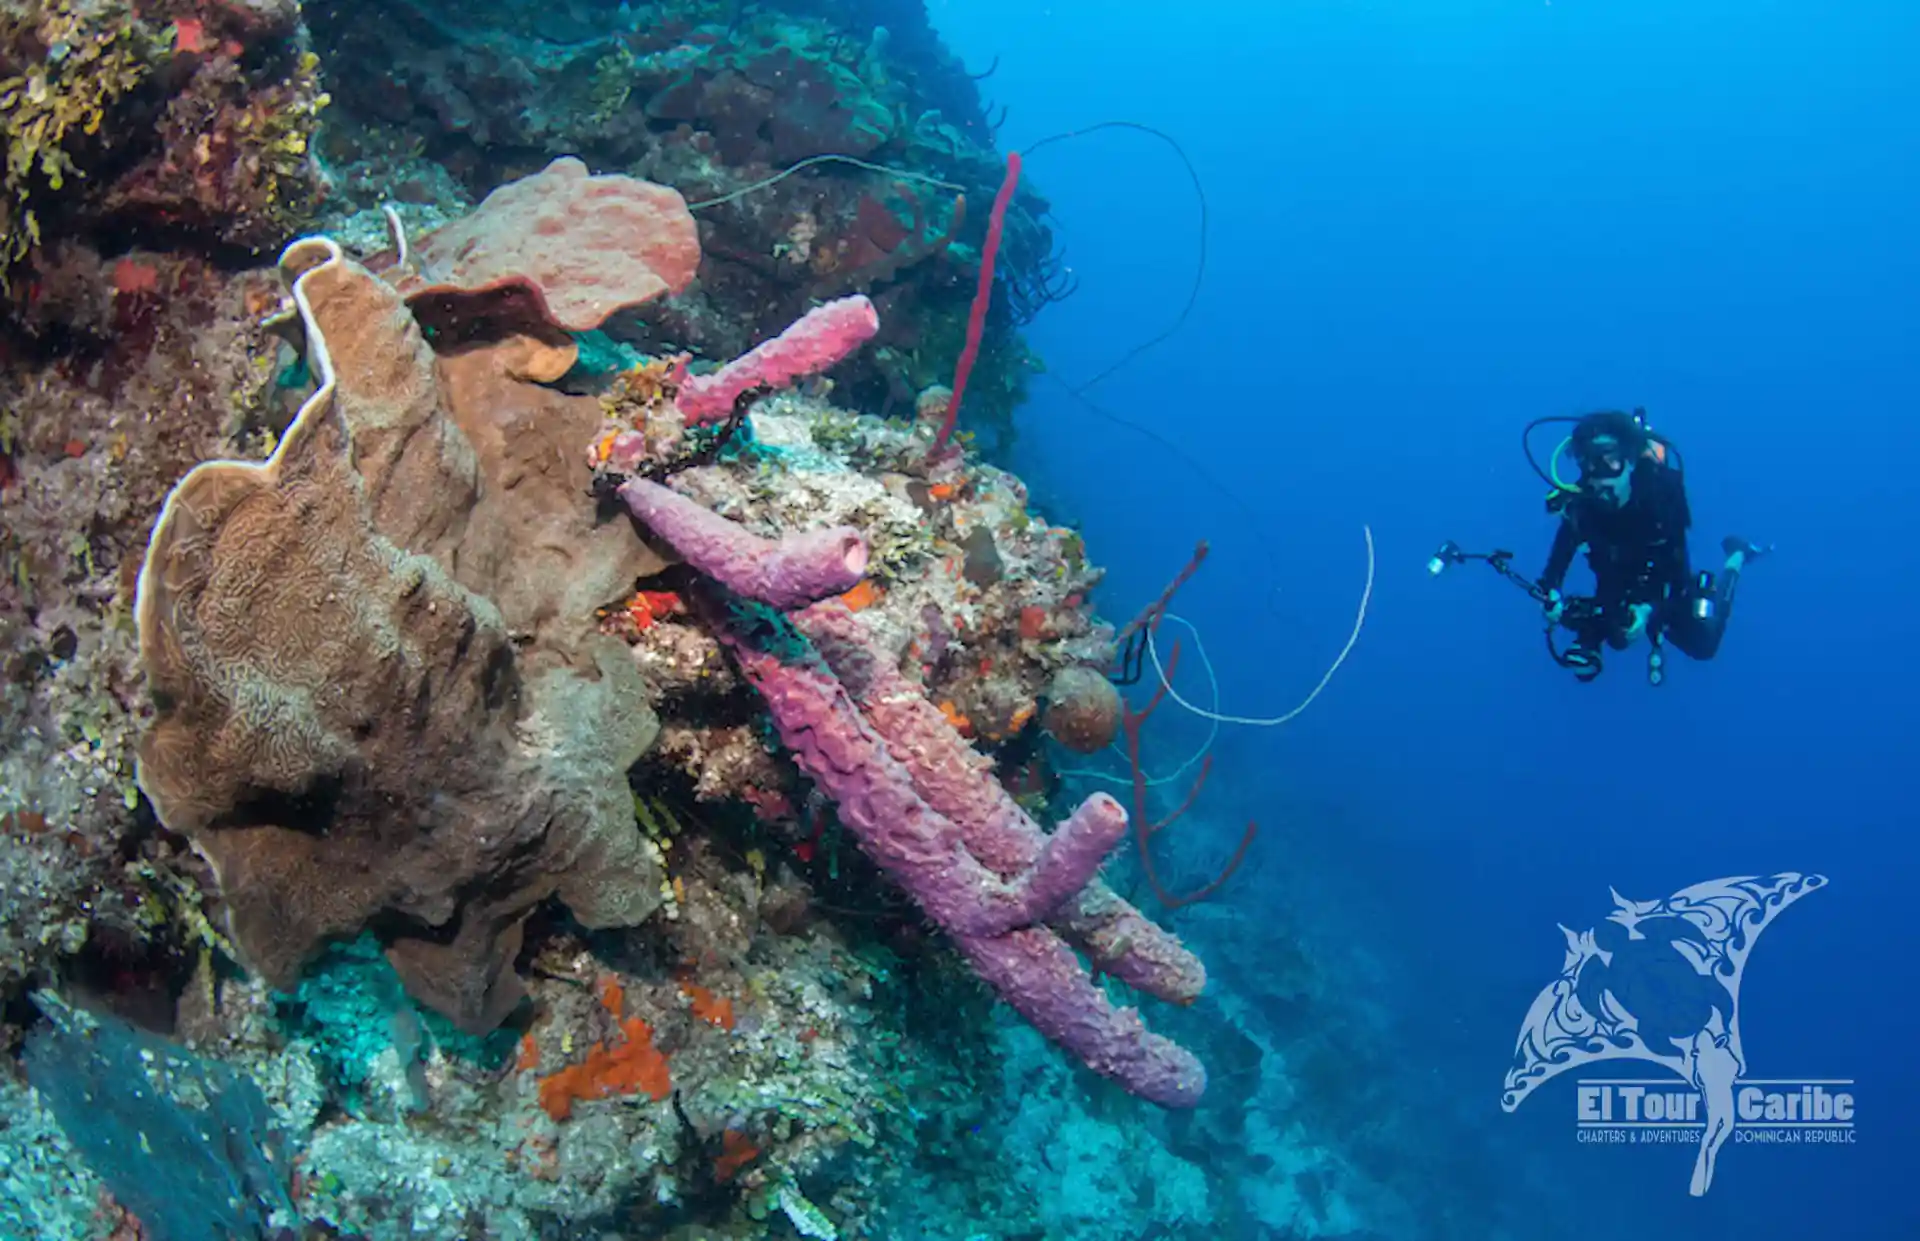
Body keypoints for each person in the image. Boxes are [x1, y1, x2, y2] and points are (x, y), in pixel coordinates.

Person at [1536, 410, 1766, 679]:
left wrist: (1647, 610)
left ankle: (1736, 555)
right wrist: (1550, 593)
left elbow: (1677, 578)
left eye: (1608, 460)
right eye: (1588, 462)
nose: (1598, 477)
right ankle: (1593, 641)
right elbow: (1557, 563)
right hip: (1612, 581)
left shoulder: (1660, 499)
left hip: (1661, 584)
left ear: (1631, 459)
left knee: (1704, 645)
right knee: (1608, 631)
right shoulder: (1581, 506)